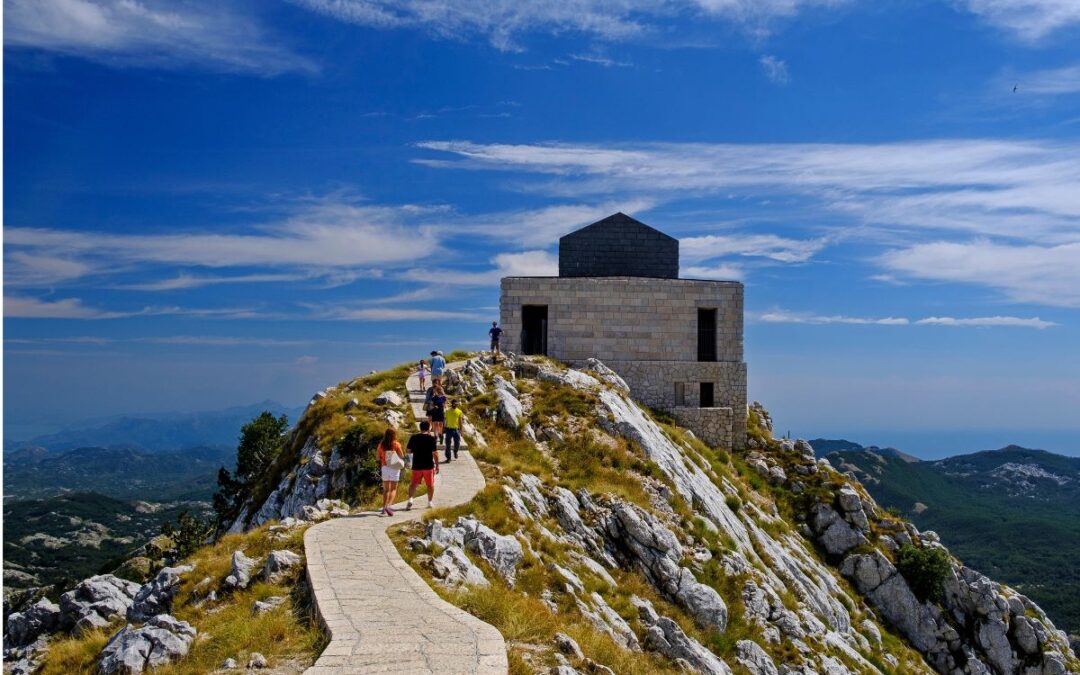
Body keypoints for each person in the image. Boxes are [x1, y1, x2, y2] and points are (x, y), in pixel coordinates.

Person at [405, 421, 439, 510]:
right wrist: (437, 465)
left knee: (413, 484)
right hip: (428, 465)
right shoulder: (431, 439)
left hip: (417, 465)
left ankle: (410, 499)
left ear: (420, 428)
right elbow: (435, 453)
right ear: (429, 428)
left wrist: (414, 451)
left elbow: (408, 450)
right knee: (430, 485)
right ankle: (430, 502)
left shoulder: (414, 437)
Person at [377, 428, 405, 516]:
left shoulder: (381, 444)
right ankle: (388, 506)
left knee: (386, 489)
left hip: (385, 467)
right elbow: (402, 455)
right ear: (394, 435)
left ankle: (383, 508)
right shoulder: (396, 444)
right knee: (393, 489)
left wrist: (383, 458)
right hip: (394, 467)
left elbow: (377, 458)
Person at [428, 383, 447, 451]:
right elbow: (431, 405)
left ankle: (440, 435)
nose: (436, 391)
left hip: (441, 412)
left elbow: (445, 405)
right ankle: (435, 436)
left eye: (437, 390)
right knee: (435, 424)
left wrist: (445, 410)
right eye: (436, 390)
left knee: (441, 425)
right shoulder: (434, 398)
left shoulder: (444, 397)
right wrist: (434, 406)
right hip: (435, 412)